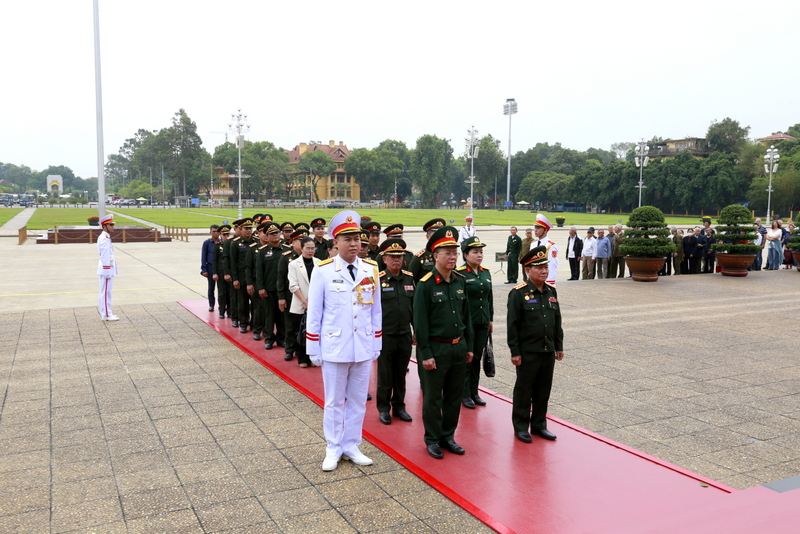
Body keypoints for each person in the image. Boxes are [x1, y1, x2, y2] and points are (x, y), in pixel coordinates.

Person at [306, 210, 382, 471]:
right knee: (334, 401)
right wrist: (312, 347)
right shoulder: (324, 270)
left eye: (357, 238)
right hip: (334, 347)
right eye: (347, 238)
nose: (354, 243)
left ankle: (351, 444)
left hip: (362, 345)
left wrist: (376, 343)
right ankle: (333, 447)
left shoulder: (371, 269)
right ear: (335, 242)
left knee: (359, 400)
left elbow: (375, 311)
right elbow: (315, 312)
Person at [414, 226, 474, 459]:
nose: (452, 257)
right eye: (447, 252)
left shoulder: (460, 281)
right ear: (435, 256)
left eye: (454, 252)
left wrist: (468, 347)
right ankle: (432, 439)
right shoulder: (426, 285)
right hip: (435, 349)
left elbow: (466, 317)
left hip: (457, 347)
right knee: (432, 397)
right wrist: (426, 353)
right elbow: (420, 323)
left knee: (454, 395)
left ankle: (448, 436)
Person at [507, 246, 564, 443]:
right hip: (528, 351)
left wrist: (559, 346)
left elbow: (557, 321)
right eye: (539, 268)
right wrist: (515, 351)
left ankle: (539, 425)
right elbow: (512, 326)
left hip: (547, 350)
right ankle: (521, 426)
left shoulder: (551, 291)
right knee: (524, 391)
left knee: (543, 390)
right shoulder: (518, 294)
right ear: (527, 270)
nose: (544, 271)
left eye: (546, 267)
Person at [375, 238, 415, 425]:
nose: (396, 260)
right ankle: (384, 408)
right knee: (385, 374)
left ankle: (399, 406)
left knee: (401, 373)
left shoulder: (409, 278)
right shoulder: (378, 279)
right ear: (384, 259)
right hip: (385, 335)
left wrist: (416, 331)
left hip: (404, 334)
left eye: (399, 257)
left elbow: (414, 307)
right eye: (392, 257)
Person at [457, 236, 493, 410]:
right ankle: (464, 393)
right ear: (465, 255)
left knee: (477, 357)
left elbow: (489, 298)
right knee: (467, 358)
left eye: (481, 252)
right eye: (475, 252)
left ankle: (474, 391)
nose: (479, 255)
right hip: (467, 323)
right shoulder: (460, 274)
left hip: (482, 321)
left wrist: (490, 318)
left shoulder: (485, 272)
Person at [288, 236, 320, 367]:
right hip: (300, 303)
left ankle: (313, 357)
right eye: (308, 248)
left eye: (313, 248)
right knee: (301, 330)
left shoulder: (319, 262)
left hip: (316, 302)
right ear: (301, 249)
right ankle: (302, 358)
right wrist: (304, 301)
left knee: (314, 330)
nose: (310, 251)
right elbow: (293, 286)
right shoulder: (294, 264)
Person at [278, 227, 307, 361]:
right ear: (293, 242)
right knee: (290, 325)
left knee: (304, 325)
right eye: (299, 241)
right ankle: (289, 349)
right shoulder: (286, 257)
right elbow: (281, 279)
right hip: (291, 297)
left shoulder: (311, 258)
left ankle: (302, 350)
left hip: (307, 297)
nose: (301, 244)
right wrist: (281, 297)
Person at [97, 214, 119, 321]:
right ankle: (106, 314)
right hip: (106, 269)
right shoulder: (104, 238)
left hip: (107, 268)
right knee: (106, 293)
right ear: (104, 226)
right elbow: (105, 256)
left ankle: (107, 312)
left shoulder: (105, 237)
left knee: (106, 292)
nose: (113, 227)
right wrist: (107, 272)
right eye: (111, 225)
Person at [530, 214, 559, 286]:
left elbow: (552, 265)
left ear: (545, 230)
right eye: (535, 228)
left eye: (538, 228)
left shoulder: (550, 245)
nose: (535, 230)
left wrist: (550, 283)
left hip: (545, 281)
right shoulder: (533, 244)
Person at [212, 224, 231, 318]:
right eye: (224, 235)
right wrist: (215, 273)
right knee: (222, 292)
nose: (226, 236)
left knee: (231, 292)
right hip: (220, 272)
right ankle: (222, 311)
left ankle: (230, 311)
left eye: (228, 234)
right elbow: (214, 260)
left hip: (230, 272)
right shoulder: (217, 246)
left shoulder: (232, 245)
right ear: (220, 235)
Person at [201, 224, 220, 312]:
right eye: (214, 231)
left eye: (217, 231)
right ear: (210, 232)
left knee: (221, 288)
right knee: (211, 287)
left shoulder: (222, 243)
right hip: (210, 266)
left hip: (220, 267)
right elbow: (203, 256)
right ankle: (211, 304)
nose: (216, 233)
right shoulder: (207, 243)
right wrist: (204, 269)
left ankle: (222, 304)